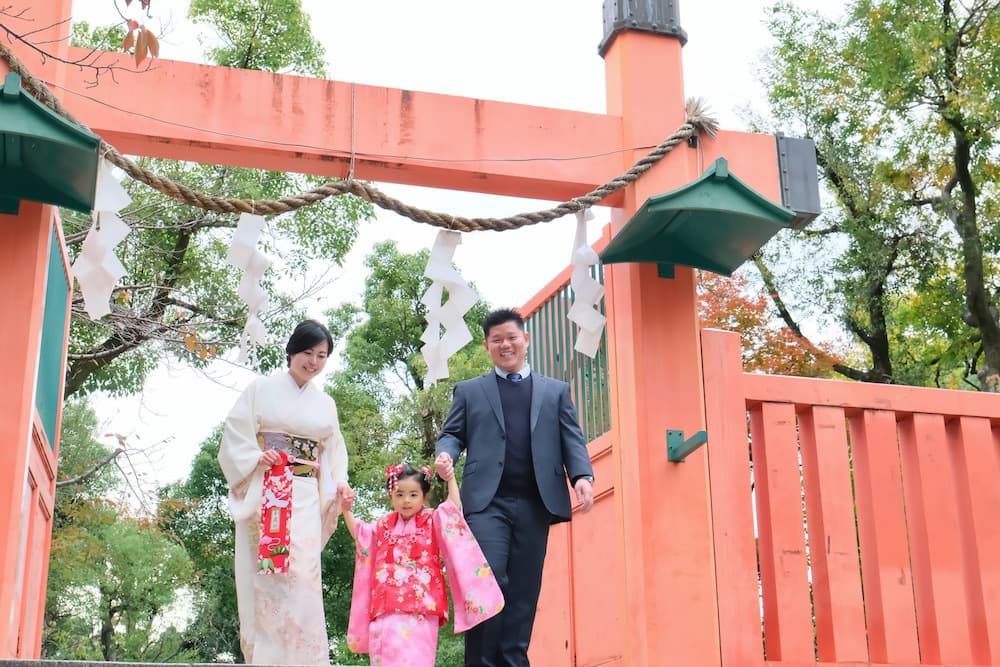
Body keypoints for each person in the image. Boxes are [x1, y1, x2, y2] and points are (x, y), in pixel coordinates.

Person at [435, 307, 595, 667]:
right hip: (486, 504)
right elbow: (451, 434)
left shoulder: (555, 392)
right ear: (486, 346)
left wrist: (582, 476)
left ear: (525, 339)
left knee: (523, 592)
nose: (505, 345)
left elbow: (572, 438)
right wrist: (446, 455)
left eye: (511, 337)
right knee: (488, 581)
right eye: (497, 340)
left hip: (535, 504)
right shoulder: (470, 391)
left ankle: (513, 660)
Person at [218, 319, 354, 666]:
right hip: (268, 492)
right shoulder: (259, 389)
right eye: (307, 352)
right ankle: (267, 658)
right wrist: (255, 457)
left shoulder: (326, 404)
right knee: (269, 576)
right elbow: (236, 435)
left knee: (304, 576)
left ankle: (305, 658)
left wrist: (340, 483)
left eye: (321, 355)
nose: (313, 361)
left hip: (307, 494)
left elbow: (334, 452)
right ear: (291, 350)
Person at [343, 462, 504, 667]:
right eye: (399, 494)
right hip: (386, 610)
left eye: (413, 494)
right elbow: (361, 536)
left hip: (423, 610)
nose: (406, 500)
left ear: (424, 496)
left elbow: (453, 509)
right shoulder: (383, 525)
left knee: (418, 661)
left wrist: (450, 478)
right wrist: (346, 510)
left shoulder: (432, 519)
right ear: (390, 496)